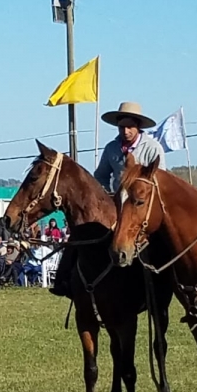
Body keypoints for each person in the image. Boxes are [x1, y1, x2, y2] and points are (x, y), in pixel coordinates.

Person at [51, 102, 166, 297]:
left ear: (138, 127)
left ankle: (166, 283)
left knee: (162, 242)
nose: (126, 131)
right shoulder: (112, 148)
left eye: (130, 126)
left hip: (142, 207)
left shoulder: (153, 148)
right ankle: (64, 280)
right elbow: (101, 176)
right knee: (81, 234)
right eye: (122, 127)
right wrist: (108, 195)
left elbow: (161, 180)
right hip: (116, 205)